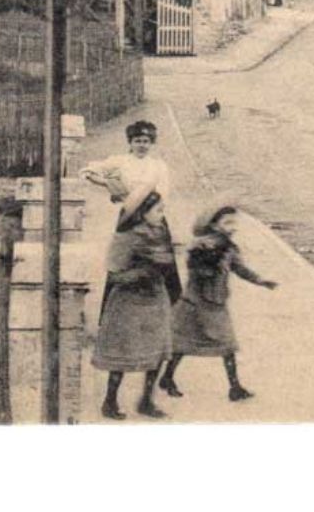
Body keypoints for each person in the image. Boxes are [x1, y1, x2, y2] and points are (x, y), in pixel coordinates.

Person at [157, 206, 278, 403]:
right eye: (227, 222)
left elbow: (239, 268)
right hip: (195, 304)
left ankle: (234, 387)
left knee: (227, 345)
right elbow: (196, 271)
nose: (233, 227)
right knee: (183, 345)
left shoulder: (229, 247)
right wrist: (209, 263)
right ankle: (168, 377)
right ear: (213, 225)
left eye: (234, 222)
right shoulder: (200, 246)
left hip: (216, 303)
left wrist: (260, 281)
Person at [92, 190, 174, 419]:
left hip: (156, 300)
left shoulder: (160, 233)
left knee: (157, 352)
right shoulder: (126, 237)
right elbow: (115, 275)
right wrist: (141, 273)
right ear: (142, 212)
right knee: (122, 354)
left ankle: (146, 401)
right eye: (158, 210)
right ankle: (109, 402)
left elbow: (168, 265)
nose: (162, 215)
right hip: (129, 304)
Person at [81, 120, 181, 303]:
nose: (141, 145)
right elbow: (89, 170)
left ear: (151, 143)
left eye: (145, 141)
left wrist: (151, 207)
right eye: (137, 141)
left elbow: (163, 192)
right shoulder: (120, 161)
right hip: (129, 215)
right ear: (130, 142)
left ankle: (166, 305)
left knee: (159, 257)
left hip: (153, 215)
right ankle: (119, 306)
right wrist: (109, 184)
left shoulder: (158, 165)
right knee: (124, 258)